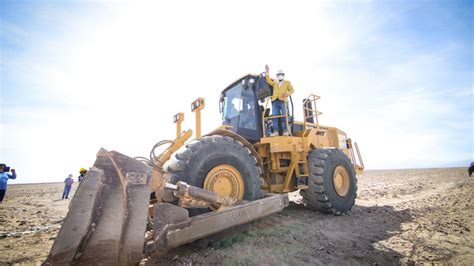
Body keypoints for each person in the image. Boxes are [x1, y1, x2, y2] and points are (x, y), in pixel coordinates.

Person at [265, 64, 294, 136]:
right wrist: (267, 72)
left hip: (283, 101)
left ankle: (286, 131)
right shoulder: (275, 82)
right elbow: (268, 81)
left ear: (283, 75)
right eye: (279, 74)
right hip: (275, 101)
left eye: (281, 74)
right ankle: (275, 131)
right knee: (275, 116)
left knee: (284, 115)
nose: (280, 75)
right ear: (277, 75)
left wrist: (287, 94)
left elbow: (292, 90)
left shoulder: (287, 82)